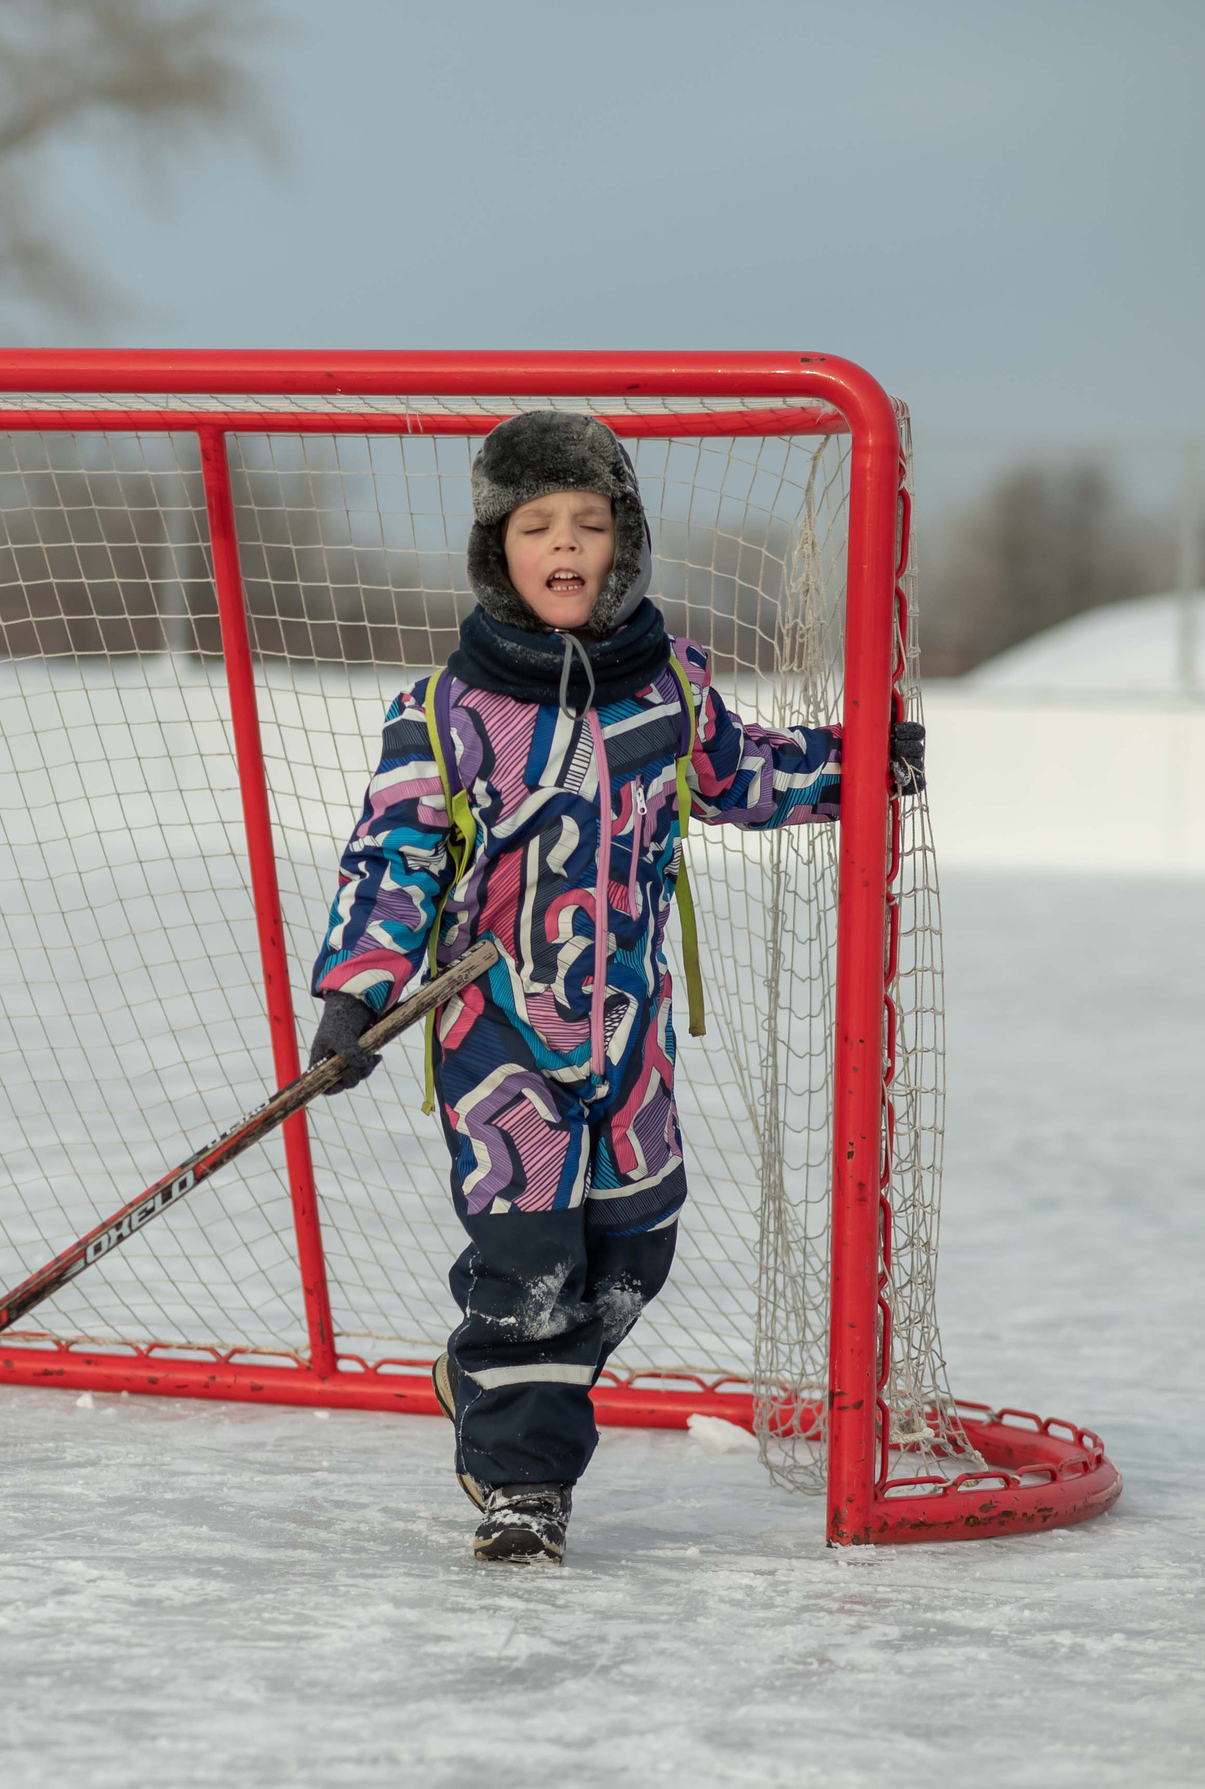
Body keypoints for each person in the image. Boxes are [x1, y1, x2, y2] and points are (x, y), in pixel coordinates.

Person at [305, 411, 924, 1563]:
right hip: (499, 1040)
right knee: (530, 1266)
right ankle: (522, 1483)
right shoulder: (441, 712)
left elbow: (738, 777)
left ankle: (485, 1370)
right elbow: (389, 862)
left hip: (630, 1041)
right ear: (499, 548)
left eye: (589, 523)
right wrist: (356, 995)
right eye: (537, 524)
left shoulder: (668, 688)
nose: (565, 544)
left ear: (624, 541)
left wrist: (855, 760)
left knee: (634, 1250)